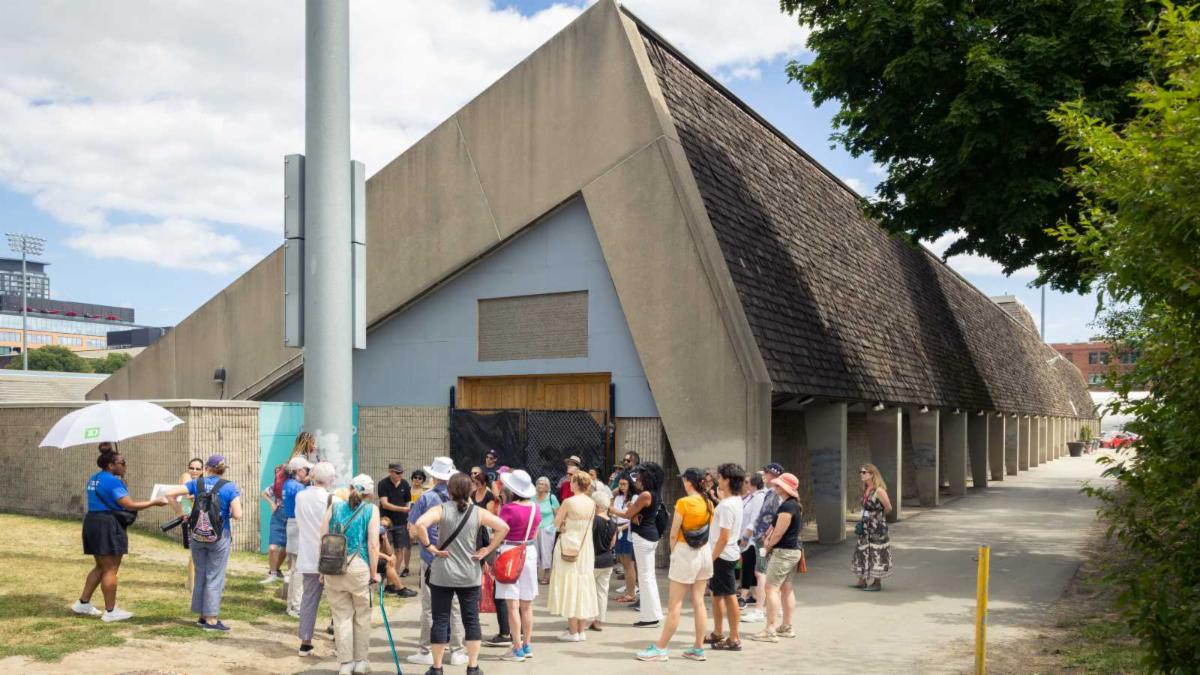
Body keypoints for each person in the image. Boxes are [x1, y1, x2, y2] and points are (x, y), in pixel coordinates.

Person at [414, 472, 510, 675]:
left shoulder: (441, 509)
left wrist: (430, 547)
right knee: (471, 619)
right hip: (469, 573)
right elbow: (503, 527)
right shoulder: (478, 512)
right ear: (471, 490)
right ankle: (473, 667)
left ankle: (437, 667)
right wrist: (487, 549)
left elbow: (419, 524)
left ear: (449, 491)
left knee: (440, 619)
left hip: (443, 573)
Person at [74, 443, 168, 622]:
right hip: (107, 525)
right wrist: (155, 502)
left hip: (93, 522)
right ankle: (110, 612)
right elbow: (129, 505)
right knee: (110, 569)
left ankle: (83, 603)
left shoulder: (95, 477)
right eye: (122, 463)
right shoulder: (112, 481)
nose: (125, 465)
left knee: (101, 566)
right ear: (111, 465)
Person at [635, 468, 713, 662]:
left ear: (688, 482)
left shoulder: (684, 502)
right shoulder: (708, 501)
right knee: (699, 602)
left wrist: (673, 553)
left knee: (675, 604)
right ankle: (698, 648)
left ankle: (661, 648)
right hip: (704, 552)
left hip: (685, 552)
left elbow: (673, 532)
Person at [164, 454, 241, 631]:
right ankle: (212, 620)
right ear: (223, 470)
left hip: (197, 535)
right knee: (215, 576)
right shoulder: (229, 487)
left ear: (207, 468)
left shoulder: (196, 484)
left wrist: (181, 513)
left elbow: (169, 494)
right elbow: (238, 514)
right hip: (219, 536)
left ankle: (201, 615)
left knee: (201, 573)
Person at [407, 457, 469, 667]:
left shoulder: (426, 498)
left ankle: (426, 649)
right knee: (454, 606)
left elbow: (413, 528)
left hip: (431, 558)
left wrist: (427, 543)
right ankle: (458, 650)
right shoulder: (464, 500)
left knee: (429, 607)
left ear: (433, 476)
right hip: (457, 558)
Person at [322, 473, 380, 675]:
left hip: (334, 565)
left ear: (350, 488)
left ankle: (345, 663)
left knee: (341, 616)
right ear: (370, 493)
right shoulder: (371, 510)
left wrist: (321, 568)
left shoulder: (334, 507)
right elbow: (373, 544)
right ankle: (360, 661)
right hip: (359, 565)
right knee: (362, 615)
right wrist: (374, 573)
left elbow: (323, 537)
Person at [610, 461, 665, 628]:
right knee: (648, 577)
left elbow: (627, 514)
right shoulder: (653, 493)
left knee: (646, 577)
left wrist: (609, 507)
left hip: (643, 537)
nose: (637, 479)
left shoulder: (645, 495)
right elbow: (634, 515)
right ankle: (654, 614)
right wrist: (632, 512)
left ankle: (650, 617)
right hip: (649, 536)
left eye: (639, 476)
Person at [749, 472, 802, 643]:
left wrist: (768, 544)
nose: (775, 487)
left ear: (786, 488)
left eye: (778, 485)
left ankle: (770, 629)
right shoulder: (793, 505)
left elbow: (779, 532)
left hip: (783, 552)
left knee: (771, 589)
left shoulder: (787, 507)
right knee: (787, 589)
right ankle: (786, 626)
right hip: (791, 552)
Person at [495, 469, 541, 663]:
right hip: (528, 551)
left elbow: (499, 529)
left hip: (509, 552)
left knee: (512, 604)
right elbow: (536, 532)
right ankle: (527, 644)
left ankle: (516, 647)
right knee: (527, 604)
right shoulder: (535, 507)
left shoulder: (508, 509)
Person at [547, 470, 598, 642]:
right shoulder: (592, 503)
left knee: (569, 584)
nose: (570, 483)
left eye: (572, 480)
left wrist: (563, 526)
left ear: (576, 483)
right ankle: (581, 631)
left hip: (568, 545)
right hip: (585, 548)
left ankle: (573, 631)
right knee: (583, 584)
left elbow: (556, 523)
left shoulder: (568, 502)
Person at [294, 461, 336, 657]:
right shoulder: (332, 499)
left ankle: (305, 641)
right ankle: (339, 641)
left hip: (308, 554)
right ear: (330, 479)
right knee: (338, 599)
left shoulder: (301, 496)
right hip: (330, 556)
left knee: (309, 599)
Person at [707, 463, 746, 651]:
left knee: (729, 596)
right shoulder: (734, 501)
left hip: (722, 556)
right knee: (717, 595)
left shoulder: (727, 506)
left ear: (728, 480)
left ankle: (734, 638)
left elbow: (723, 537)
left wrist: (710, 558)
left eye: (721, 477)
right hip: (726, 554)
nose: (718, 480)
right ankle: (718, 632)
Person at [470, 465, 507, 648]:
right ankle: (476, 604)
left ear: (484, 483)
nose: (475, 485)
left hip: (487, 535)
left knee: (489, 571)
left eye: (477, 483)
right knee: (476, 571)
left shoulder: (490, 497)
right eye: (473, 482)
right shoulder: (471, 495)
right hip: (473, 535)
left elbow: (492, 516)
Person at [744, 463, 784, 624]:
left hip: (765, 538)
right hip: (766, 537)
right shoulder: (773, 493)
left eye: (766, 473)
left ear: (772, 475)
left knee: (761, 573)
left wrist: (764, 536)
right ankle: (776, 608)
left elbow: (769, 517)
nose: (763, 476)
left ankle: (759, 609)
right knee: (769, 574)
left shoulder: (774, 494)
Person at [851, 463, 894, 591]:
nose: (861, 474)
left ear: (872, 474)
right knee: (862, 551)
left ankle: (877, 583)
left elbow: (889, 508)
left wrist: (877, 517)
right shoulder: (866, 489)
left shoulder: (879, 490)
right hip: (865, 526)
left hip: (877, 528)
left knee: (876, 552)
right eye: (861, 472)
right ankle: (862, 581)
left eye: (864, 472)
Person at [283, 456, 312, 616]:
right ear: (299, 470)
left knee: (294, 567)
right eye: (306, 469)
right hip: (298, 525)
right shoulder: (299, 488)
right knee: (298, 568)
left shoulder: (288, 484)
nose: (307, 472)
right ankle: (295, 605)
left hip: (290, 523)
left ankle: (291, 605)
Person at [589, 488, 618, 632]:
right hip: (607, 561)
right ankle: (599, 620)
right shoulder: (613, 523)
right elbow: (612, 543)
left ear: (596, 505)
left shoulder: (593, 521)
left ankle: (586, 619)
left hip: (593, 560)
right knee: (602, 592)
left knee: (588, 591)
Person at [378, 462, 413, 577]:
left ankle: (395, 573)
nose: (400, 475)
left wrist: (408, 516)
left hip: (401, 522)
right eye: (398, 473)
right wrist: (402, 509)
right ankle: (385, 573)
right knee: (384, 549)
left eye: (402, 472)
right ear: (390, 471)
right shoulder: (383, 484)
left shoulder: (405, 484)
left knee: (399, 549)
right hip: (386, 522)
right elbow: (385, 504)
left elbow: (408, 501)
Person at [738, 473, 766, 617]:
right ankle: (753, 594)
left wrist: (745, 537)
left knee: (749, 567)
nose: (745, 484)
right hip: (747, 537)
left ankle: (743, 596)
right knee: (750, 567)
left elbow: (755, 519)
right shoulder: (751, 496)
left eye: (747, 481)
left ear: (754, 483)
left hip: (752, 539)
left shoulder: (759, 497)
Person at [259, 463, 289, 584]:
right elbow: (264, 493)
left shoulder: (292, 485)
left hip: (291, 516)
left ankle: (276, 570)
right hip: (278, 515)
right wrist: (272, 503)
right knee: (272, 548)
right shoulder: (275, 486)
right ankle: (272, 573)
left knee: (287, 548)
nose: (277, 475)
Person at [612, 473, 637, 603]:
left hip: (627, 530)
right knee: (622, 561)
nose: (621, 487)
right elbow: (614, 514)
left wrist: (622, 527)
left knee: (629, 564)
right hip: (618, 528)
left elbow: (632, 517)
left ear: (629, 484)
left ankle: (631, 593)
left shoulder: (635, 498)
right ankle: (628, 591)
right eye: (620, 484)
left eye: (624, 484)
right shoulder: (618, 498)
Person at [378, 518, 416, 597]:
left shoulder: (383, 536)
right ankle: (401, 589)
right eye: (380, 525)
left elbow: (389, 552)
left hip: (375, 559)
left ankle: (390, 585)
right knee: (389, 562)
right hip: (369, 560)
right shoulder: (371, 534)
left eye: (385, 527)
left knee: (393, 557)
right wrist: (387, 557)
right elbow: (372, 552)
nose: (382, 528)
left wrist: (385, 540)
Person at [533, 476, 559, 585]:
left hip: (547, 529)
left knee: (546, 552)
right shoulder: (531, 497)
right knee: (534, 552)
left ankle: (546, 576)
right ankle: (534, 576)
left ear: (547, 487)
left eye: (543, 484)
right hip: (534, 529)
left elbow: (557, 514)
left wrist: (553, 527)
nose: (540, 485)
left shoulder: (551, 497)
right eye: (538, 483)